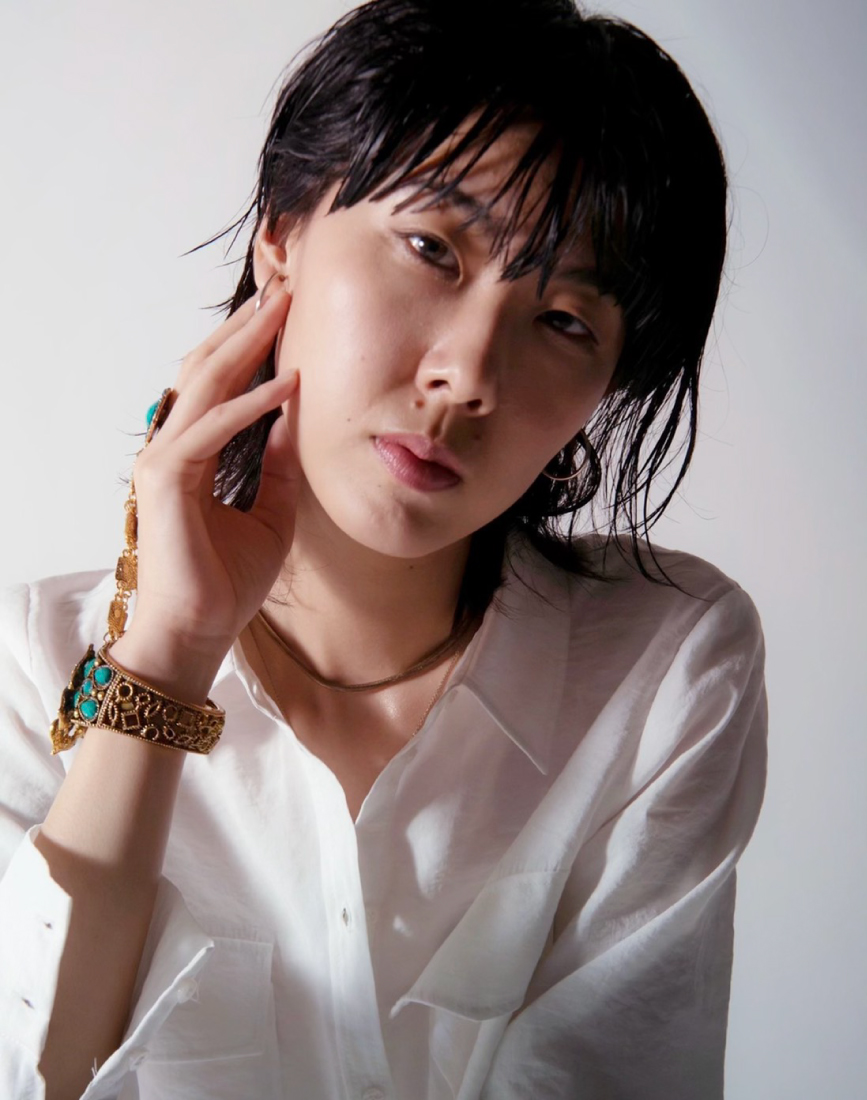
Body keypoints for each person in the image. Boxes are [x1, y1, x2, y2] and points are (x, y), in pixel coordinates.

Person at [0, 0, 768, 1097]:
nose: (468, 373)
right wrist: (164, 659)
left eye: (564, 321)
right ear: (282, 235)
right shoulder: (29, 671)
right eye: (431, 250)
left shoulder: (660, 671)